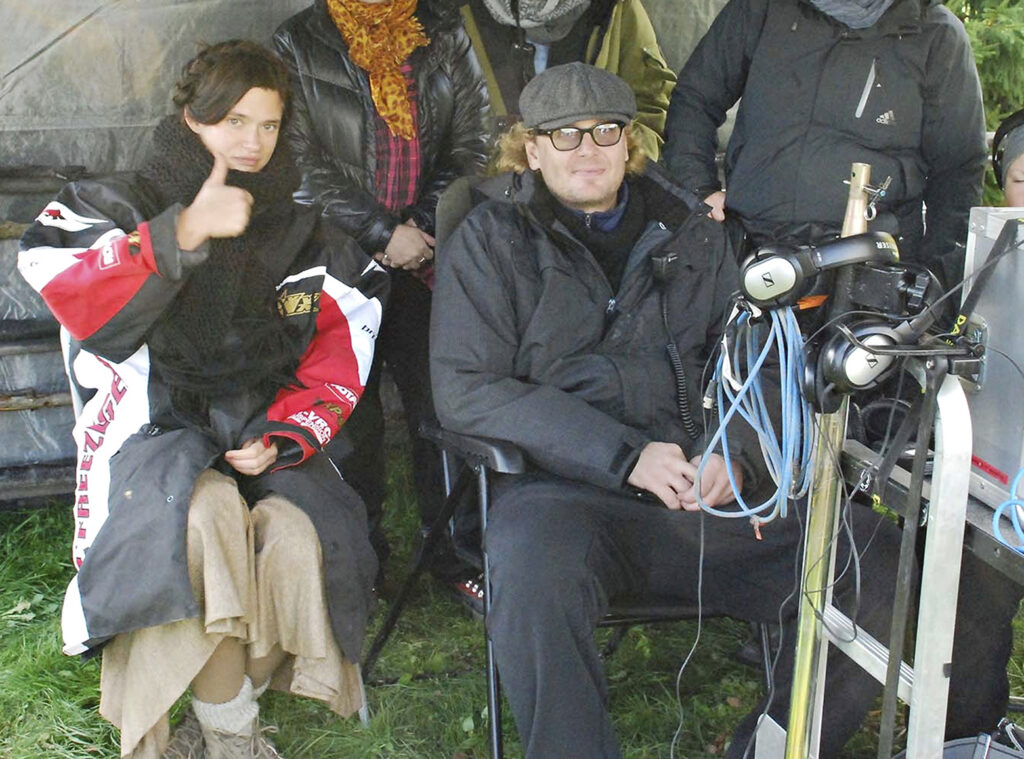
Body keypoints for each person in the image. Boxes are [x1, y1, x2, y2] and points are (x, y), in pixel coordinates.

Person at [430, 61, 904, 758]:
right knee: (530, 568)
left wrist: (735, 453)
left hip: (700, 495)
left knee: (874, 558)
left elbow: (761, 359)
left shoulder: (694, 233)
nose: (587, 149)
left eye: (604, 131)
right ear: (531, 150)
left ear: (628, 142)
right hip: (563, 496)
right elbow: (468, 387)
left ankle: (775, 749)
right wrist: (622, 456)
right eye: (564, 135)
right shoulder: (491, 239)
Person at [18, 40, 388, 759]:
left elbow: (344, 336)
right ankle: (233, 736)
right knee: (203, 520)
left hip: (257, 430)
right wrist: (181, 233)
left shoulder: (304, 228)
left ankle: (221, 714)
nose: (252, 141)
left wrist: (285, 431)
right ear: (192, 117)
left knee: (305, 535)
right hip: (151, 431)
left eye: (269, 124)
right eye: (233, 120)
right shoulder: (116, 202)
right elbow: (67, 286)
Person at [273, 0, 490, 593]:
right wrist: (380, 233)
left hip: (427, 261)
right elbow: (294, 159)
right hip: (337, 261)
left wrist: (420, 227)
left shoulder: (443, 30)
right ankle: (358, 561)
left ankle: (456, 557)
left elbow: (472, 143)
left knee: (443, 406)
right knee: (346, 417)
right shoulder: (298, 40)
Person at [664, 0, 987, 285]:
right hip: (749, 252)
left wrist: (935, 284)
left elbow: (958, 170)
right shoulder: (761, 8)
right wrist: (698, 190)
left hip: (875, 270)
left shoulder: (936, 34)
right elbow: (694, 99)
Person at [458, 0, 676, 158]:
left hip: (591, 193)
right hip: (483, 192)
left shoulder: (616, 7)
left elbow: (652, 106)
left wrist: (613, 169)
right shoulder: (450, 12)